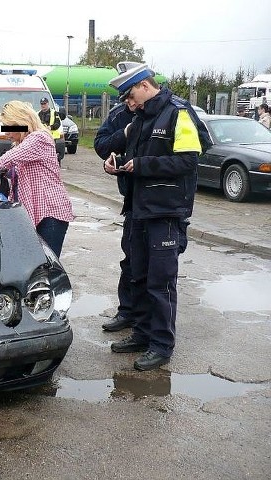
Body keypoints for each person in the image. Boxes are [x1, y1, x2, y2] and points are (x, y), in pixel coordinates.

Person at [107, 63, 203, 371]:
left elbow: (188, 161)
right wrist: (118, 163)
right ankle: (143, 333)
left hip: (165, 212)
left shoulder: (178, 113)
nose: (129, 104)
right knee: (140, 276)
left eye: (130, 95)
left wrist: (142, 164)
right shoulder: (140, 119)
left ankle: (161, 344)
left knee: (161, 283)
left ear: (145, 86)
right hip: (138, 210)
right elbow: (137, 157)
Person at [0, 100, 74, 257]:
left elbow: (8, 159)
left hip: (50, 213)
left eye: (9, 127)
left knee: (45, 267)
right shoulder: (23, 143)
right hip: (36, 212)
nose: (6, 133)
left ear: (21, 122)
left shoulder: (39, 138)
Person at [94, 97, 137, 332]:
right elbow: (101, 146)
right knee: (130, 259)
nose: (128, 102)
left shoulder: (173, 110)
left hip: (163, 204)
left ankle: (151, 323)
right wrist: (125, 135)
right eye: (125, 97)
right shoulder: (120, 114)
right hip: (132, 200)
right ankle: (127, 312)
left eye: (131, 95)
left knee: (155, 267)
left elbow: (193, 152)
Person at [37, 97, 65, 163]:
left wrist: (50, 127)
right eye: (42, 104)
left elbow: (58, 123)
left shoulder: (54, 112)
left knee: (54, 156)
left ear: (48, 104)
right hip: (41, 137)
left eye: (44, 104)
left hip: (53, 137)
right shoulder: (38, 114)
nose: (43, 105)